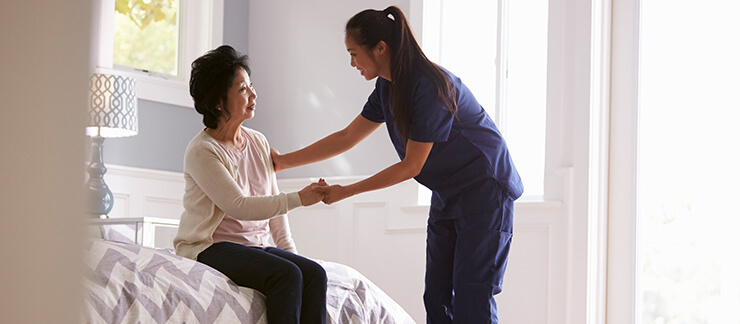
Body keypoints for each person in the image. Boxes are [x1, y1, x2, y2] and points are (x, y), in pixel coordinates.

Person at [270, 6, 523, 324]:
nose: (352, 63)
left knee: (473, 296)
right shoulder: (387, 87)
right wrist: (283, 162)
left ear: (380, 48)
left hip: (485, 190)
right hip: (448, 193)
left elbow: (411, 165)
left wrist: (344, 191)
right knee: (437, 298)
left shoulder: (430, 86)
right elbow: (348, 136)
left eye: (354, 53)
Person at [173, 45, 328, 324]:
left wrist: (290, 253)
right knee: (286, 275)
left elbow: (273, 203)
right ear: (219, 101)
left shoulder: (258, 141)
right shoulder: (203, 151)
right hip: (211, 247)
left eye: (251, 86)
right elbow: (239, 206)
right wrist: (300, 198)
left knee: (314, 274)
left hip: (255, 246)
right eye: (243, 89)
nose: (253, 94)